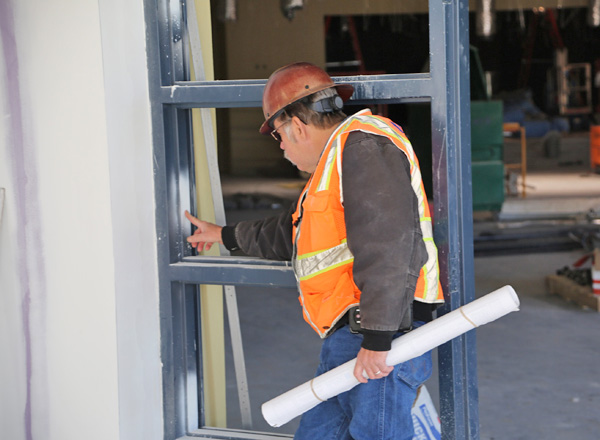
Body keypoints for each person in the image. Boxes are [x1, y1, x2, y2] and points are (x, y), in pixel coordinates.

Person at [185, 62, 444, 440]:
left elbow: (390, 244)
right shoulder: (335, 167)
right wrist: (225, 235)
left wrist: (378, 340)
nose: (283, 148)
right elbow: (294, 235)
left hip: (382, 338)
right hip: (352, 340)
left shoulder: (363, 145)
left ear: (298, 127)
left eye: (279, 137)